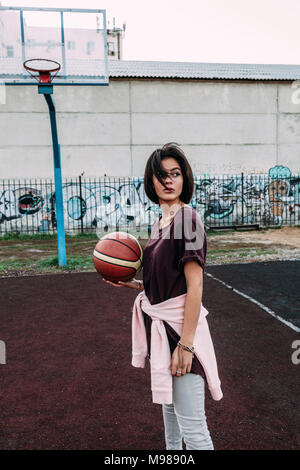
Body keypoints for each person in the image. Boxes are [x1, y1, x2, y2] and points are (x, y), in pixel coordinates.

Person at [103, 143, 223, 450]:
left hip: (181, 334)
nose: (168, 180)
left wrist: (186, 345)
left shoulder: (188, 220)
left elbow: (195, 287)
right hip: (163, 333)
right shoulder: (159, 224)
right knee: (171, 423)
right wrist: (134, 285)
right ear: (151, 181)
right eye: (160, 174)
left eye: (175, 173)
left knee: (194, 433)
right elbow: (168, 282)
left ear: (185, 179)